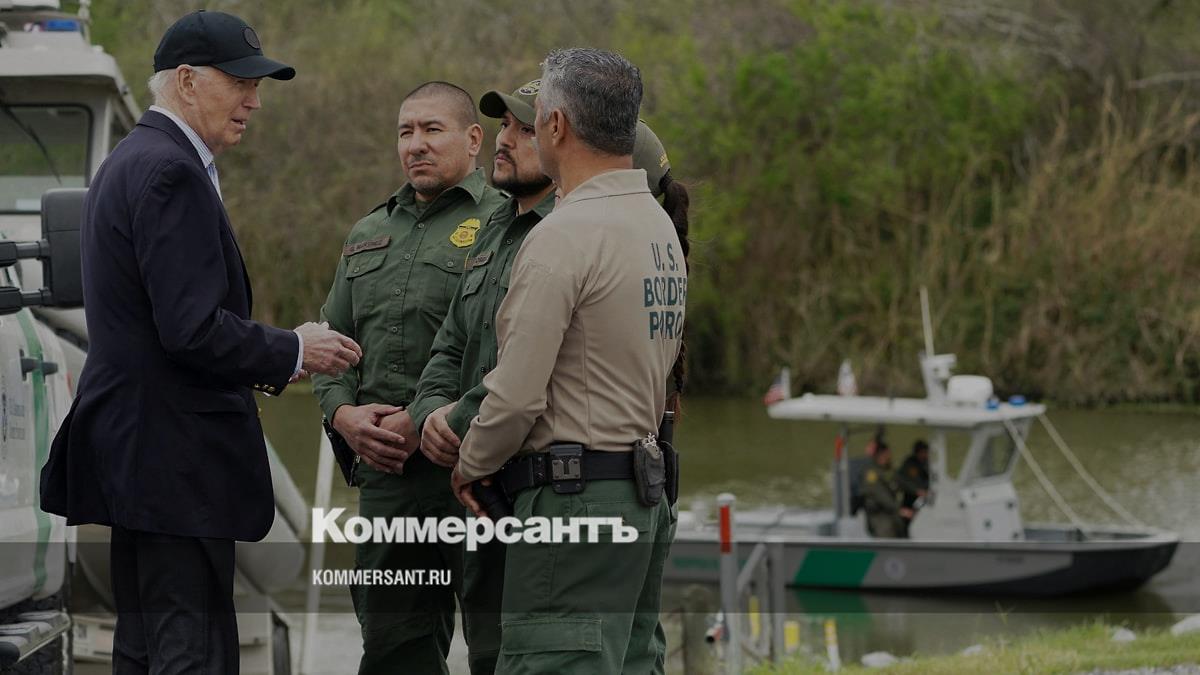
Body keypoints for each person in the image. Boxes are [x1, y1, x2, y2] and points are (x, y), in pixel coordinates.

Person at [38, 10, 360, 673]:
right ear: (186, 81)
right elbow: (190, 330)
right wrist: (295, 349)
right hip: (175, 465)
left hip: (138, 462)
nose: (254, 101)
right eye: (240, 82)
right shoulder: (170, 171)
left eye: (257, 86)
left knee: (144, 650)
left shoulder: (129, 161)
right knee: (192, 654)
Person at [450, 48, 686, 673]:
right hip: (642, 500)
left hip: (573, 505)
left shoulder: (563, 234)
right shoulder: (658, 228)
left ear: (556, 125)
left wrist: (471, 464)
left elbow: (516, 395)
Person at [312, 81, 506, 675]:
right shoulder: (368, 231)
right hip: (389, 481)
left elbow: (517, 348)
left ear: (473, 139)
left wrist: (425, 418)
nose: (415, 144)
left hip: (478, 470)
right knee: (394, 651)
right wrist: (343, 415)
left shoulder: (507, 221)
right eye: (405, 132)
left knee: (498, 649)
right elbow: (331, 340)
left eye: (432, 129)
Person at [858, 443, 913, 538]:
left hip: (891, 512)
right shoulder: (871, 473)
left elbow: (900, 481)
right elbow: (880, 494)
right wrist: (898, 509)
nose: (889, 457)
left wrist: (917, 490)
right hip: (880, 515)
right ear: (880, 455)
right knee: (887, 540)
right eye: (886, 455)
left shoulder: (887, 469)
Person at [899, 439, 930, 509]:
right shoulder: (909, 464)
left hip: (925, 498)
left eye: (926, 452)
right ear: (917, 453)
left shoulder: (928, 464)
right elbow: (901, 480)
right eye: (923, 452)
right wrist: (916, 490)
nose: (925, 455)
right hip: (911, 497)